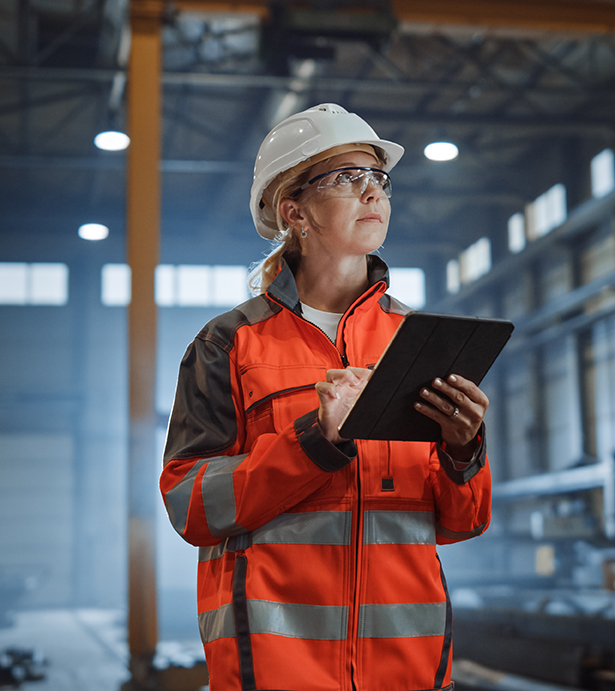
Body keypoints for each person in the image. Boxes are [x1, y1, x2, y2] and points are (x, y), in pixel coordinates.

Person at [160, 103, 492, 691]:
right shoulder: (230, 342)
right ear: (295, 212)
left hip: (409, 671)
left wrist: (464, 452)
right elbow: (191, 505)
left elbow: (460, 523)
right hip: (275, 669)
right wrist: (316, 441)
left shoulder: (419, 343)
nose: (372, 193)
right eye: (346, 177)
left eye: (379, 179)